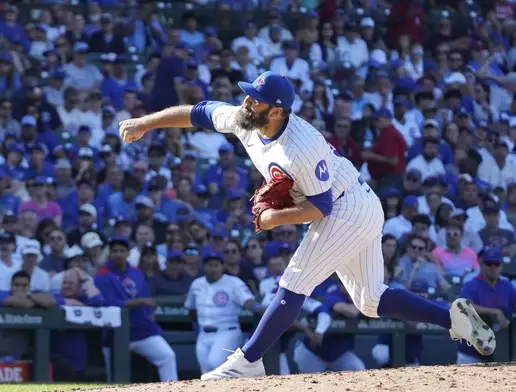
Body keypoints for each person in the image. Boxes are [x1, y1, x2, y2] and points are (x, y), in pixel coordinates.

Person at [118, 71, 494, 380]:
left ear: (277, 111)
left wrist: (272, 218)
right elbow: (199, 112)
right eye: (248, 96)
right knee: (371, 300)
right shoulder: (244, 120)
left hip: (346, 207)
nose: (247, 102)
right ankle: (452, 318)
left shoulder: (302, 145)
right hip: (355, 202)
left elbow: (320, 207)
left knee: (295, 279)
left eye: (255, 99)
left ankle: (248, 361)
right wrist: (145, 123)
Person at [94, 236, 178, 382]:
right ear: (110, 253)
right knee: (114, 377)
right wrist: (140, 302)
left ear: (128, 253)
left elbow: (147, 298)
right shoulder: (102, 275)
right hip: (115, 333)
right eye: (115, 251)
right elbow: (107, 303)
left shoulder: (136, 273)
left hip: (141, 329)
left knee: (167, 356)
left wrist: (149, 315)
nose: (118, 254)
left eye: (122, 250)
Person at [184, 251, 263, 374]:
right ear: (203, 267)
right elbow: (191, 308)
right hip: (204, 334)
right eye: (210, 265)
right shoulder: (197, 284)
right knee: (205, 373)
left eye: (216, 265)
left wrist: (259, 309)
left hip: (227, 332)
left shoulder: (234, 282)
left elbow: (248, 301)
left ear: (223, 266)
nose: (213, 268)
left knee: (214, 364)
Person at [0, 271, 58, 362]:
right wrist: (32, 299)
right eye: (17, 285)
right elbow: (24, 304)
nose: (20, 288)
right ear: (11, 286)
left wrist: (30, 296)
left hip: (12, 357)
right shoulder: (0, 295)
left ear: (29, 287)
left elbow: (51, 303)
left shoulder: (33, 297)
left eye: (24, 286)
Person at [456, 247, 515, 365]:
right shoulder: (471, 285)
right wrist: (495, 312)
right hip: (471, 352)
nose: (493, 267)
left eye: (496, 264)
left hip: (500, 351)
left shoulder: (507, 286)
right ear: (482, 265)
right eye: (489, 264)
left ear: (501, 266)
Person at [293, 282, 366, 373]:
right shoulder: (333, 293)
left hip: (339, 353)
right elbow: (351, 312)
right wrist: (361, 303)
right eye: (347, 283)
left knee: (358, 369)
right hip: (314, 351)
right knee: (309, 383)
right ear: (341, 285)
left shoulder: (355, 297)